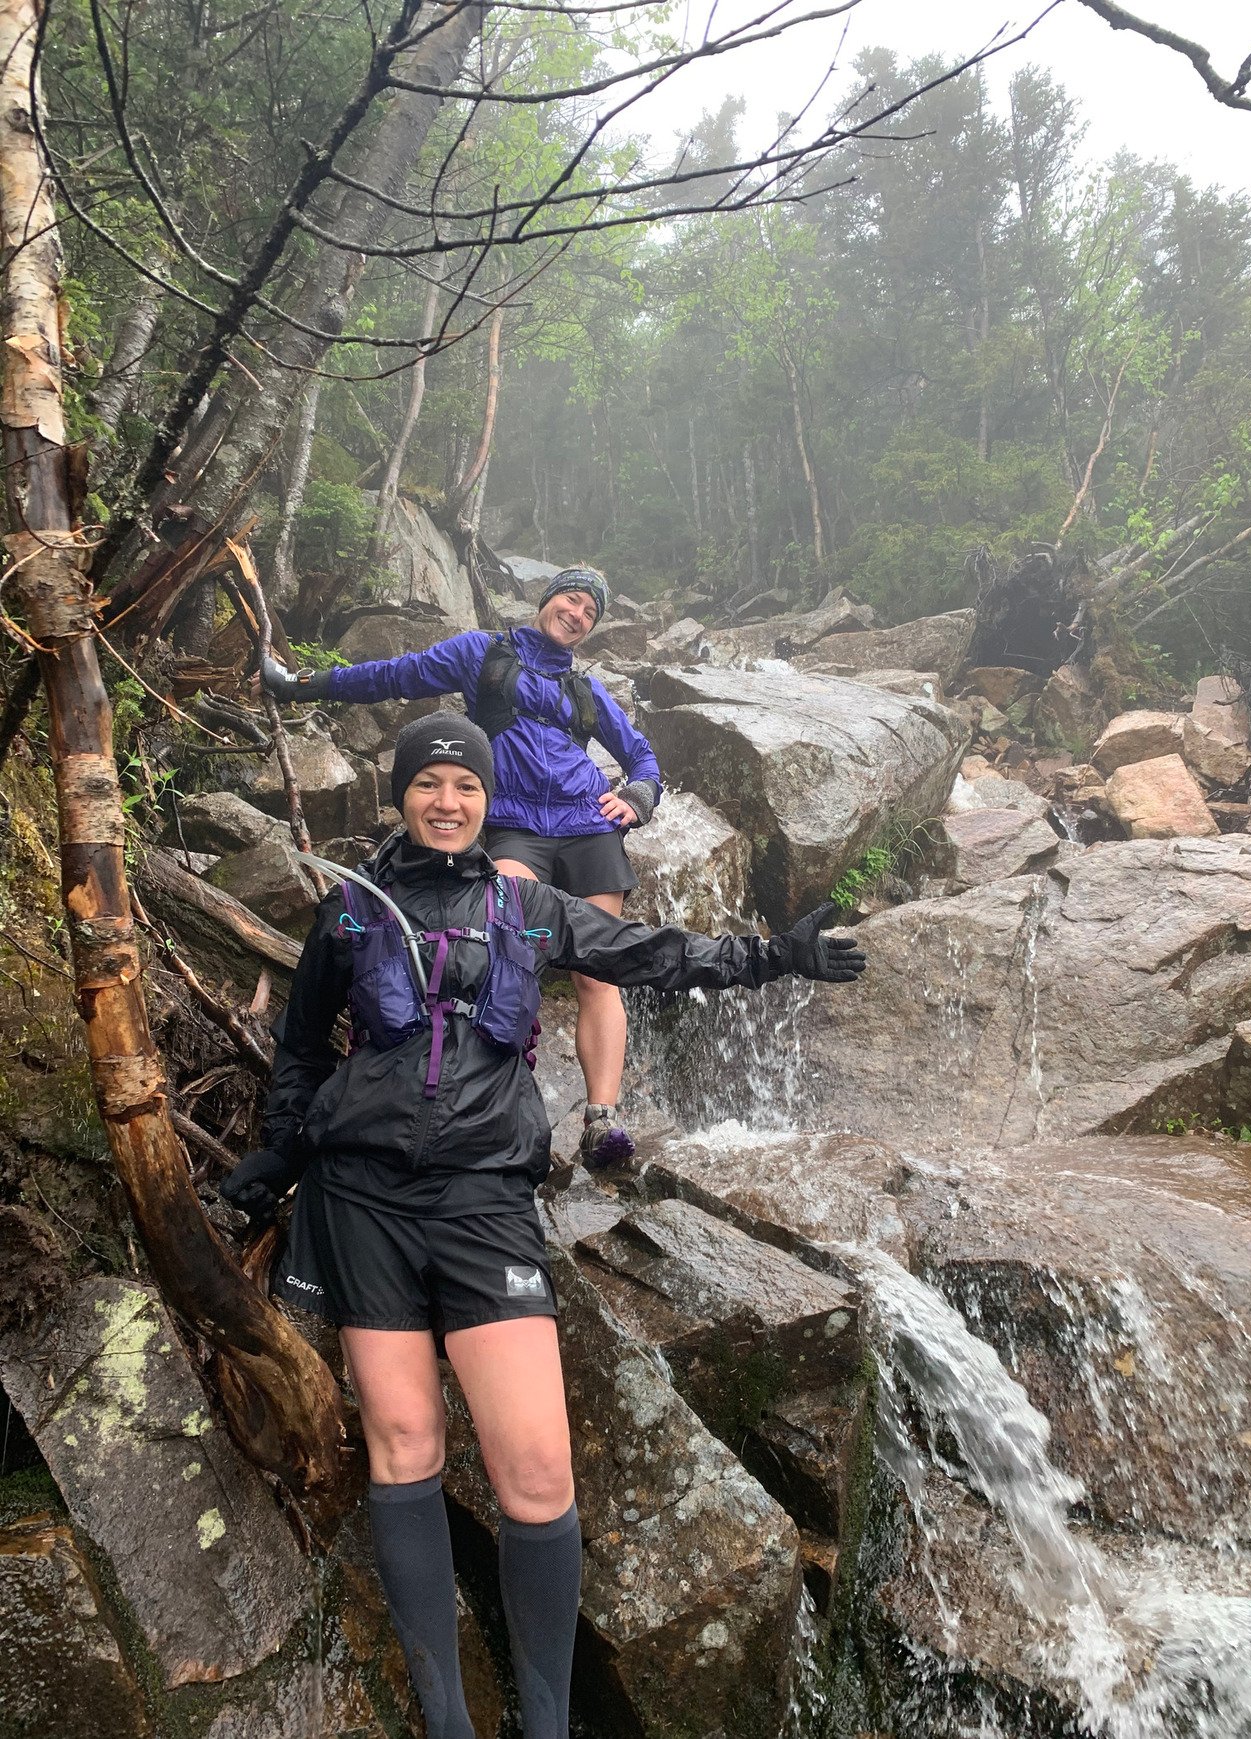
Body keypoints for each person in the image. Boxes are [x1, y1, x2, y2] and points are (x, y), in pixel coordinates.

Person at [221, 712, 865, 1739]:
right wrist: (279, 1154)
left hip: (481, 1200)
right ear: (400, 795)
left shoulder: (526, 905)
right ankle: (446, 1720)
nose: (445, 800)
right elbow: (300, 1052)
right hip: (363, 1204)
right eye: (427, 782)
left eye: (463, 785)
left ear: (488, 801)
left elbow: (650, 951)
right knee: (403, 1447)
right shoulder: (350, 911)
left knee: (534, 1471)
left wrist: (767, 957)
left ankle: (547, 1722)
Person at [261, 567, 657, 1168]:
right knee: (498, 949)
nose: (576, 615)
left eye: (589, 614)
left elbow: (643, 757)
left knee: (598, 974)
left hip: (588, 828)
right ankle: (489, 1096)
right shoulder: (483, 653)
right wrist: (303, 685)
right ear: (547, 599)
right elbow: (395, 675)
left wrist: (638, 796)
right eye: (571, 601)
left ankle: (603, 1122)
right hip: (514, 826)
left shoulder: (587, 692)